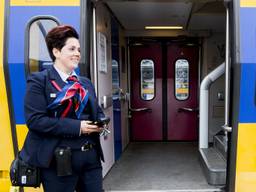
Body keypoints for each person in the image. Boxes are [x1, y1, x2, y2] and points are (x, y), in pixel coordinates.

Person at [20, 25, 105, 192]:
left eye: (79, 49)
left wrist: (101, 122)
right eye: (71, 49)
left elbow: (97, 112)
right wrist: (78, 127)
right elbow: (36, 121)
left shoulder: (85, 82)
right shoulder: (39, 81)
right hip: (58, 160)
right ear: (56, 52)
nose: (77, 53)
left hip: (90, 158)